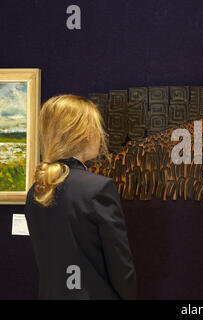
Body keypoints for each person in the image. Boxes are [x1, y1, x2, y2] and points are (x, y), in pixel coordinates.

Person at [24, 94, 137, 299]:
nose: (101, 136)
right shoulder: (98, 188)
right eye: (97, 128)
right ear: (86, 133)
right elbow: (120, 266)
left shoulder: (36, 190)